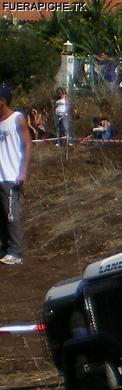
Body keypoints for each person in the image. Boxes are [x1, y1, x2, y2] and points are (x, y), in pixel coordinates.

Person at [0, 85, 31, 266]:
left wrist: (23, 171)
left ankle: (16, 252)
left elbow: (27, 145)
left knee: (11, 215)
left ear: (2, 101)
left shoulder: (17, 119)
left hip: (11, 175)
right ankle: (4, 248)